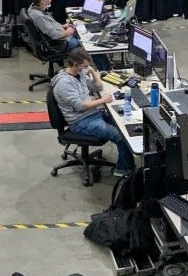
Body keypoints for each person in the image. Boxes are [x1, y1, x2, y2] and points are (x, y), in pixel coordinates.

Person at [52, 48, 134, 178]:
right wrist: (101, 100)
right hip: (81, 121)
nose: (86, 68)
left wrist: (91, 71)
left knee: (125, 122)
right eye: (84, 66)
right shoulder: (64, 83)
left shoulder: (79, 74)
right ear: (75, 64)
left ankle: (127, 163)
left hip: (93, 114)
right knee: (120, 136)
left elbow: (98, 87)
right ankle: (123, 169)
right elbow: (80, 106)